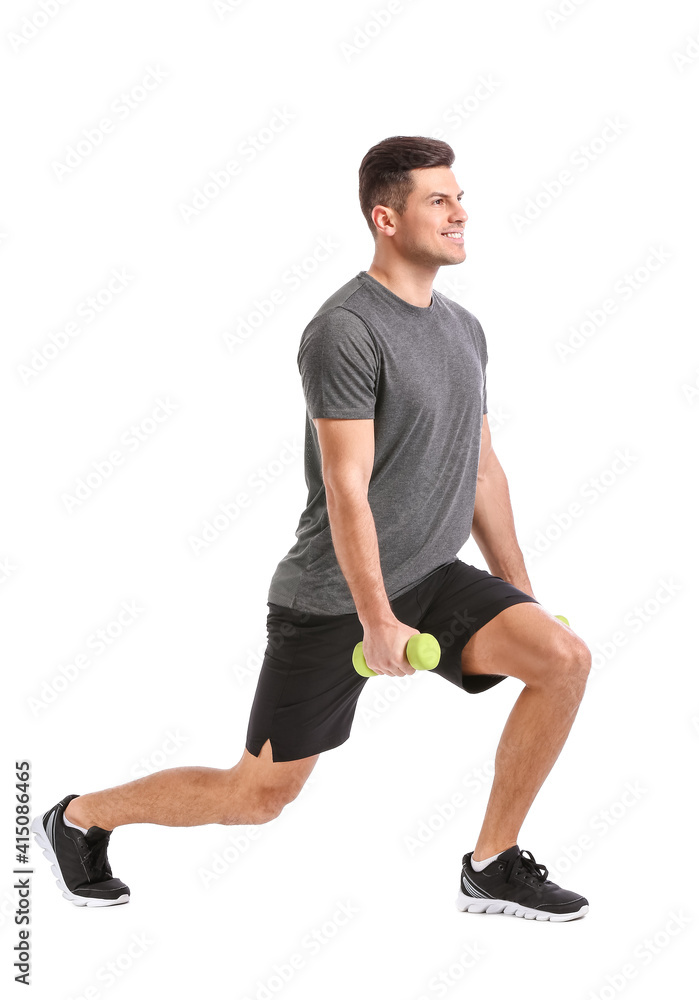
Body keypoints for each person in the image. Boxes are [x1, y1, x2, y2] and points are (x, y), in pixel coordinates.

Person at [33, 135, 592, 921]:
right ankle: (81, 815)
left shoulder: (464, 329)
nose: (460, 211)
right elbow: (345, 486)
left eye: (459, 196)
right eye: (439, 199)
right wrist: (375, 620)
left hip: (431, 575)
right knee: (257, 795)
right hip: (331, 598)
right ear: (385, 218)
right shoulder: (345, 328)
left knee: (563, 659)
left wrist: (518, 592)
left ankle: (491, 864)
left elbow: (480, 470)